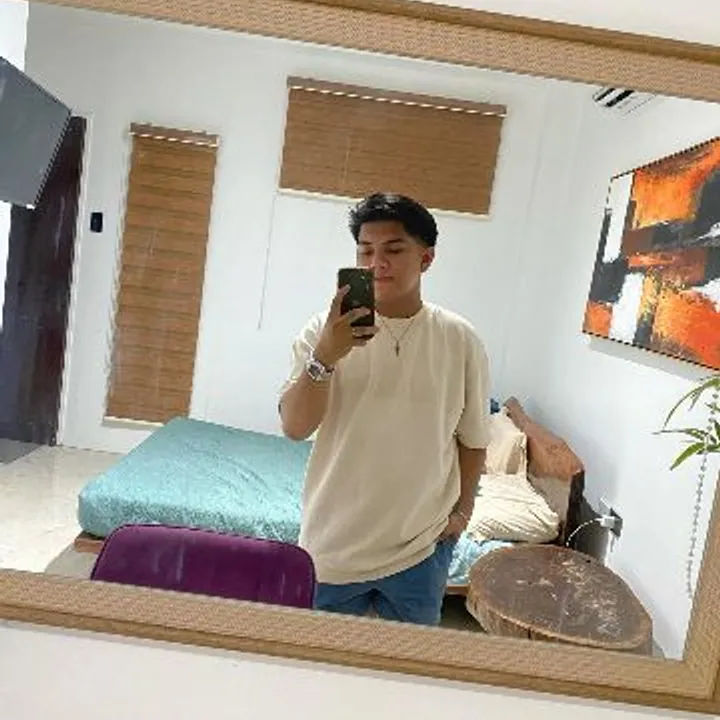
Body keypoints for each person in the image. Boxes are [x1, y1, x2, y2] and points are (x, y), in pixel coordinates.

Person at [278, 192, 491, 626]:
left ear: (426, 258)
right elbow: (295, 427)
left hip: (420, 548)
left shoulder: (459, 339)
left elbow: (473, 439)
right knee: (318, 659)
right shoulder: (322, 331)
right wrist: (326, 356)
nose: (377, 264)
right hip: (333, 544)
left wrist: (462, 514)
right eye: (365, 251)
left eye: (393, 250)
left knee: (404, 664)